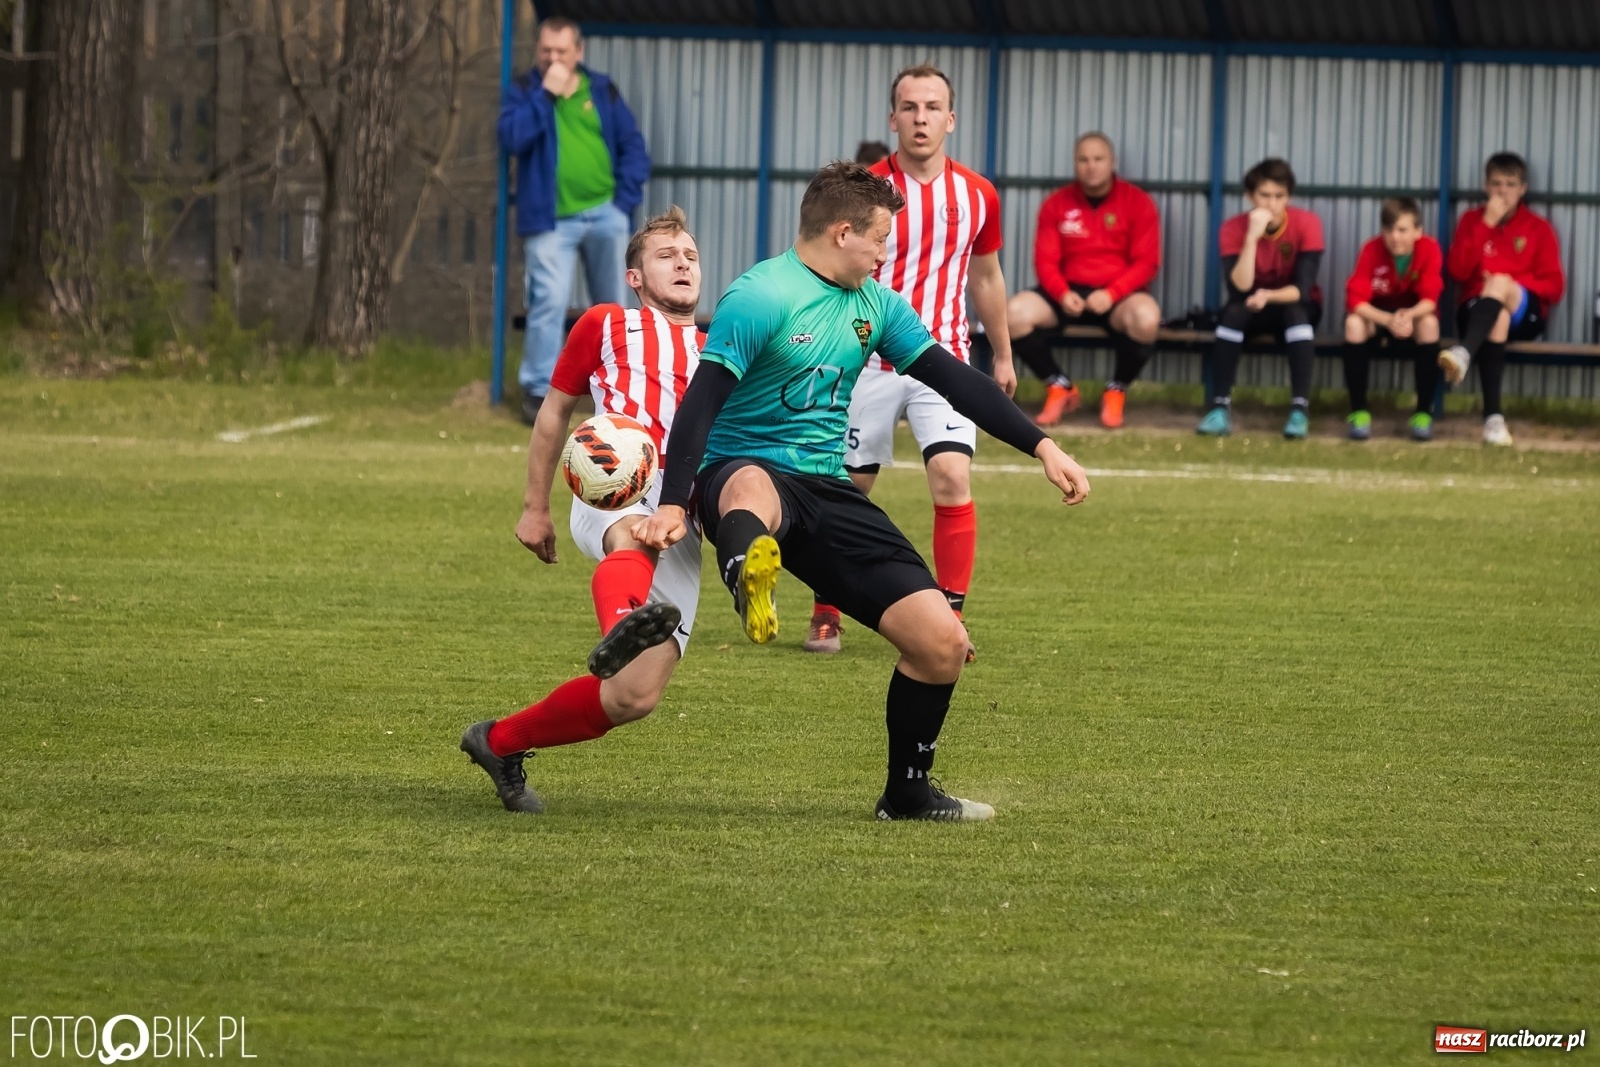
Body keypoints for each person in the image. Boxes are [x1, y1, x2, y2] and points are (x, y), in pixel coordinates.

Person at [633, 162, 1091, 822]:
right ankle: (746, 570)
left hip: (827, 483)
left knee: (941, 643)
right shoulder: (761, 294)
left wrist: (1043, 446)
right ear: (843, 233)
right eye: (880, 239)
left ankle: (907, 794)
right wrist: (676, 502)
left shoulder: (876, 305)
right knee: (754, 489)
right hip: (738, 468)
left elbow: (956, 380)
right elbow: (700, 405)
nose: (885, 253)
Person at [460, 207, 703, 813]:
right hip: (610, 478)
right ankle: (622, 619)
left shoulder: (717, 347)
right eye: (666, 256)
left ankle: (498, 742)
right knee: (633, 535)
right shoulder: (607, 322)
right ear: (635, 278)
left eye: (691, 256)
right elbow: (553, 412)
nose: (682, 264)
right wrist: (534, 507)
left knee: (631, 697)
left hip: (683, 512)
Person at [805, 65, 1014, 657]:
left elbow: (986, 276)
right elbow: (824, 270)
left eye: (932, 107)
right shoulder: (862, 191)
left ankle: (951, 618)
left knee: (951, 477)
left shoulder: (978, 194)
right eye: (910, 107)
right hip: (863, 360)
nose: (921, 118)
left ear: (951, 119)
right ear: (892, 118)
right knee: (847, 488)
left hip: (940, 360)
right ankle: (826, 611)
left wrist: (1002, 354)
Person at [497, 15, 651, 426]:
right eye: (546, 50)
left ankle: (617, 384)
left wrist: (622, 202)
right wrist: (545, 96)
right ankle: (537, 391)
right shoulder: (525, 91)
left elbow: (634, 147)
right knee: (547, 301)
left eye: (561, 51)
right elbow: (511, 138)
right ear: (537, 51)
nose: (553, 58)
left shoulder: (601, 89)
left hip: (606, 214)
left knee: (613, 305)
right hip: (550, 220)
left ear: (578, 52)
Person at [1007, 132, 1161, 429]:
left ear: (1112, 162)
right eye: (1084, 160)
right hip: (1068, 292)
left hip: (1117, 296)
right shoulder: (1056, 203)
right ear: (1075, 163)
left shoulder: (1138, 202)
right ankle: (1059, 386)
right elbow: (1045, 261)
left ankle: (1116, 390)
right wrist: (1062, 293)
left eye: (1098, 159)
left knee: (1147, 318)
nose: (1091, 166)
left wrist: (1112, 293)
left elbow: (1147, 262)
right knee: (1013, 313)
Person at [1441, 152, 1566, 447]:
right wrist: (1487, 223)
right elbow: (1457, 271)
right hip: (1476, 311)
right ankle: (1494, 421)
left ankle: (1464, 352)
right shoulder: (1472, 220)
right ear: (1486, 186)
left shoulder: (1538, 228)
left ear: (1522, 189)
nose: (1502, 191)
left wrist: (1510, 284)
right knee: (1498, 316)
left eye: (1510, 184)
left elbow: (1555, 286)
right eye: (1496, 184)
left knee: (1500, 284)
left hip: (1526, 314)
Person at [1199, 158, 1324, 439]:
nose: (1272, 204)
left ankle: (1299, 411)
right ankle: (1219, 409)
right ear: (1250, 196)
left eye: (1279, 196)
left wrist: (1269, 295)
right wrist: (1252, 238)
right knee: (1232, 314)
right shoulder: (1233, 228)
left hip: (1293, 305)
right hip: (1251, 304)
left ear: (1288, 197)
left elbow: (1303, 289)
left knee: (1296, 313)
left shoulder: (1308, 223)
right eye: (1265, 195)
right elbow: (1239, 289)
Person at [1342, 198, 1444, 442]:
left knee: (1430, 324)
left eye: (1402, 230)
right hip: (1380, 319)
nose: (1395, 237)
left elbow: (1430, 300)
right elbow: (1355, 300)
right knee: (1353, 324)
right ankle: (1359, 413)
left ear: (1418, 231)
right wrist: (1388, 320)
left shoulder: (1429, 248)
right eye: (1388, 229)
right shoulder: (1371, 249)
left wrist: (1408, 316)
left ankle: (1423, 414)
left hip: (1412, 318)